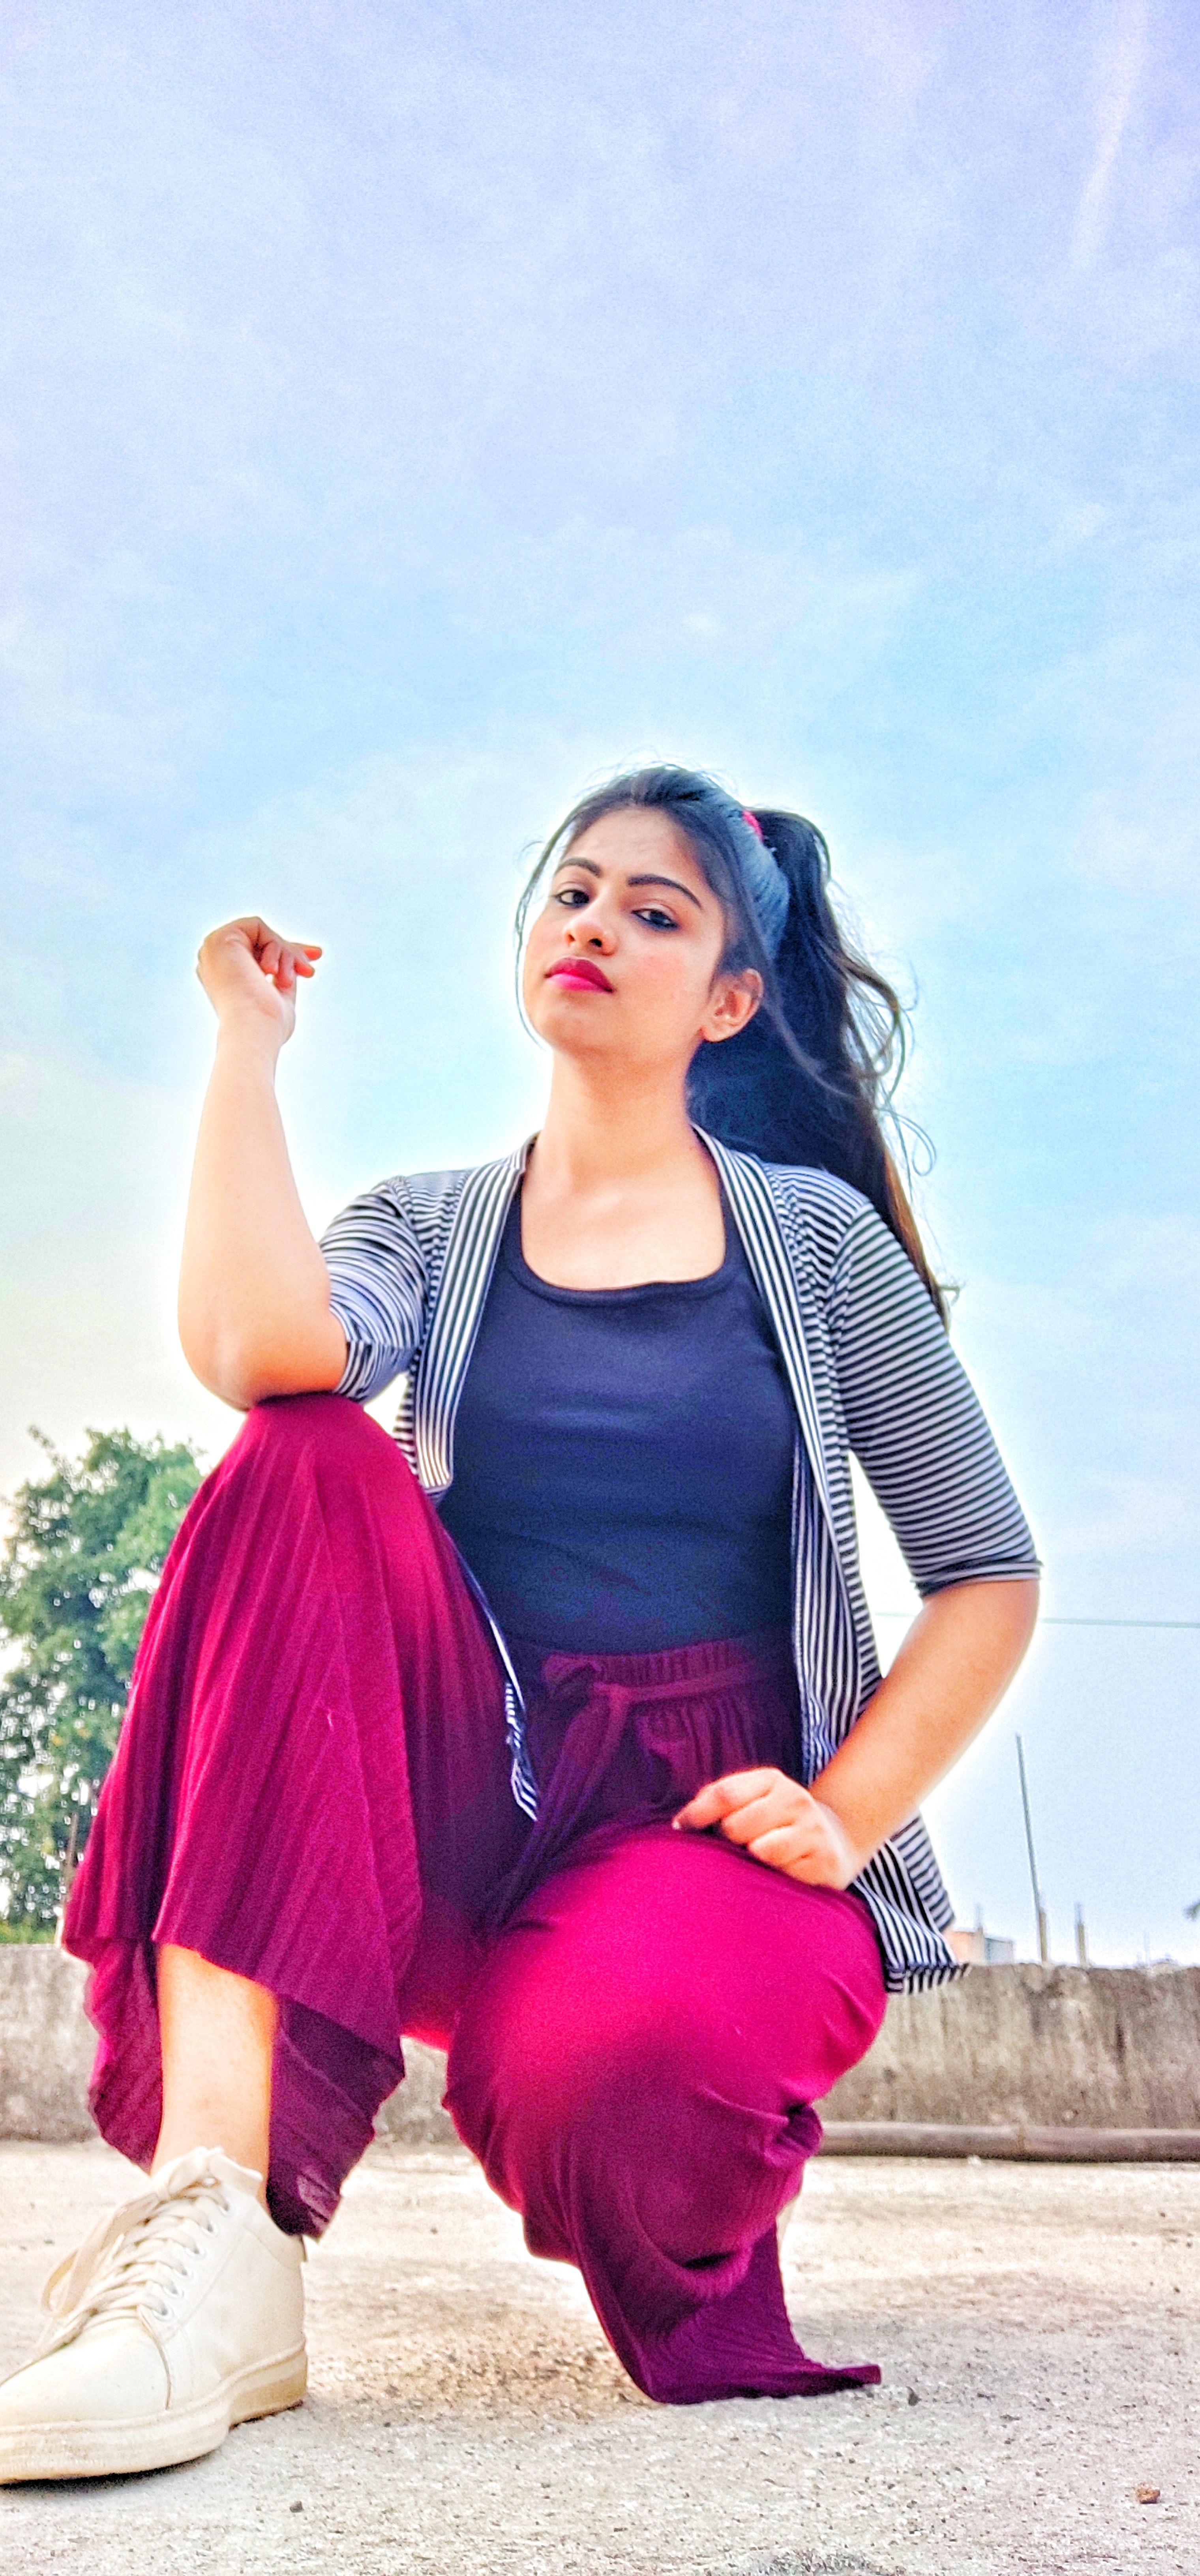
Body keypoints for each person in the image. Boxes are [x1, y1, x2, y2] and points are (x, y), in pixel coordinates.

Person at [0, 766, 1039, 2482]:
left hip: (705, 1826)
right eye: (574, 891)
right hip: (467, 1790)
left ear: (727, 1001)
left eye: (655, 910)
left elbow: (986, 1570)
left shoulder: (815, 1244)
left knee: (605, 2095)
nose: (596, 925)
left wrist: (845, 1813)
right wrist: (247, 1044)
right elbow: (263, 1349)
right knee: (299, 1452)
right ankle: (218, 2233)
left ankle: (619, 2037)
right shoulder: (431, 1224)